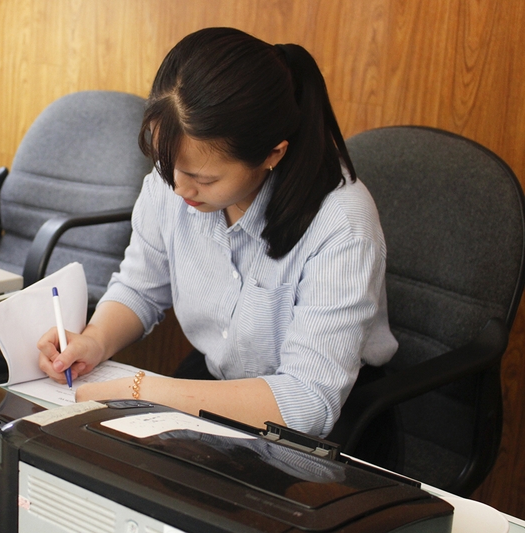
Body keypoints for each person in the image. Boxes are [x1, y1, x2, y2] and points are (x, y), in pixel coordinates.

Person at [36, 27, 398, 438]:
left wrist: (145, 391)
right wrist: (95, 341)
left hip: (325, 426)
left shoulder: (341, 223)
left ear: (271, 155)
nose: (177, 188)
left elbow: (306, 402)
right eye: (165, 164)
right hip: (215, 385)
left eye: (202, 179)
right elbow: (139, 288)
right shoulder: (173, 181)